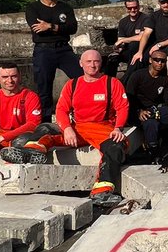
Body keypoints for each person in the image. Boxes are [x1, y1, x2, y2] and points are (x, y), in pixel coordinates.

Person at [52, 49, 131, 204]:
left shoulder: (112, 83)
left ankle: (102, 191)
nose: (93, 65)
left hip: (103, 128)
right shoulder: (72, 84)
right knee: (45, 131)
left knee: (115, 147)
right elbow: (61, 109)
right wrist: (67, 128)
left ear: (101, 63)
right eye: (88, 62)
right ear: (81, 64)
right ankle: (31, 151)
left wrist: (118, 128)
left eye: (96, 61)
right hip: (78, 128)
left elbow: (122, 107)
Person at [24, 0, 82, 119]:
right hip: (43, 49)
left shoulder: (65, 8)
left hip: (64, 49)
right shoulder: (33, 8)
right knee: (44, 86)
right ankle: (45, 121)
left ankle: (81, 112)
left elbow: (72, 28)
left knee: (82, 77)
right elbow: (37, 28)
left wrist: (50, 26)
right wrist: (60, 28)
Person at [108, 0, 151, 78]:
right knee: (112, 59)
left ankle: (126, 80)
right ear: (126, 9)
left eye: (135, 7)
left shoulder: (146, 19)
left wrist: (124, 40)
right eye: (129, 8)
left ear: (139, 7)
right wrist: (118, 48)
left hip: (141, 50)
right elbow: (121, 39)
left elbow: (142, 37)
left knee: (133, 45)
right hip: (127, 51)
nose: (133, 10)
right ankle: (108, 81)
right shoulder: (123, 22)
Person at [139, 0, 168, 66]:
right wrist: (140, 52)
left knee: (160, 57)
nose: (166, 5)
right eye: (163, 3)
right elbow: (146, 34)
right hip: (156, 43)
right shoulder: (154, 16)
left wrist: (159, 45)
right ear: (159, 4)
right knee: (140, 59)